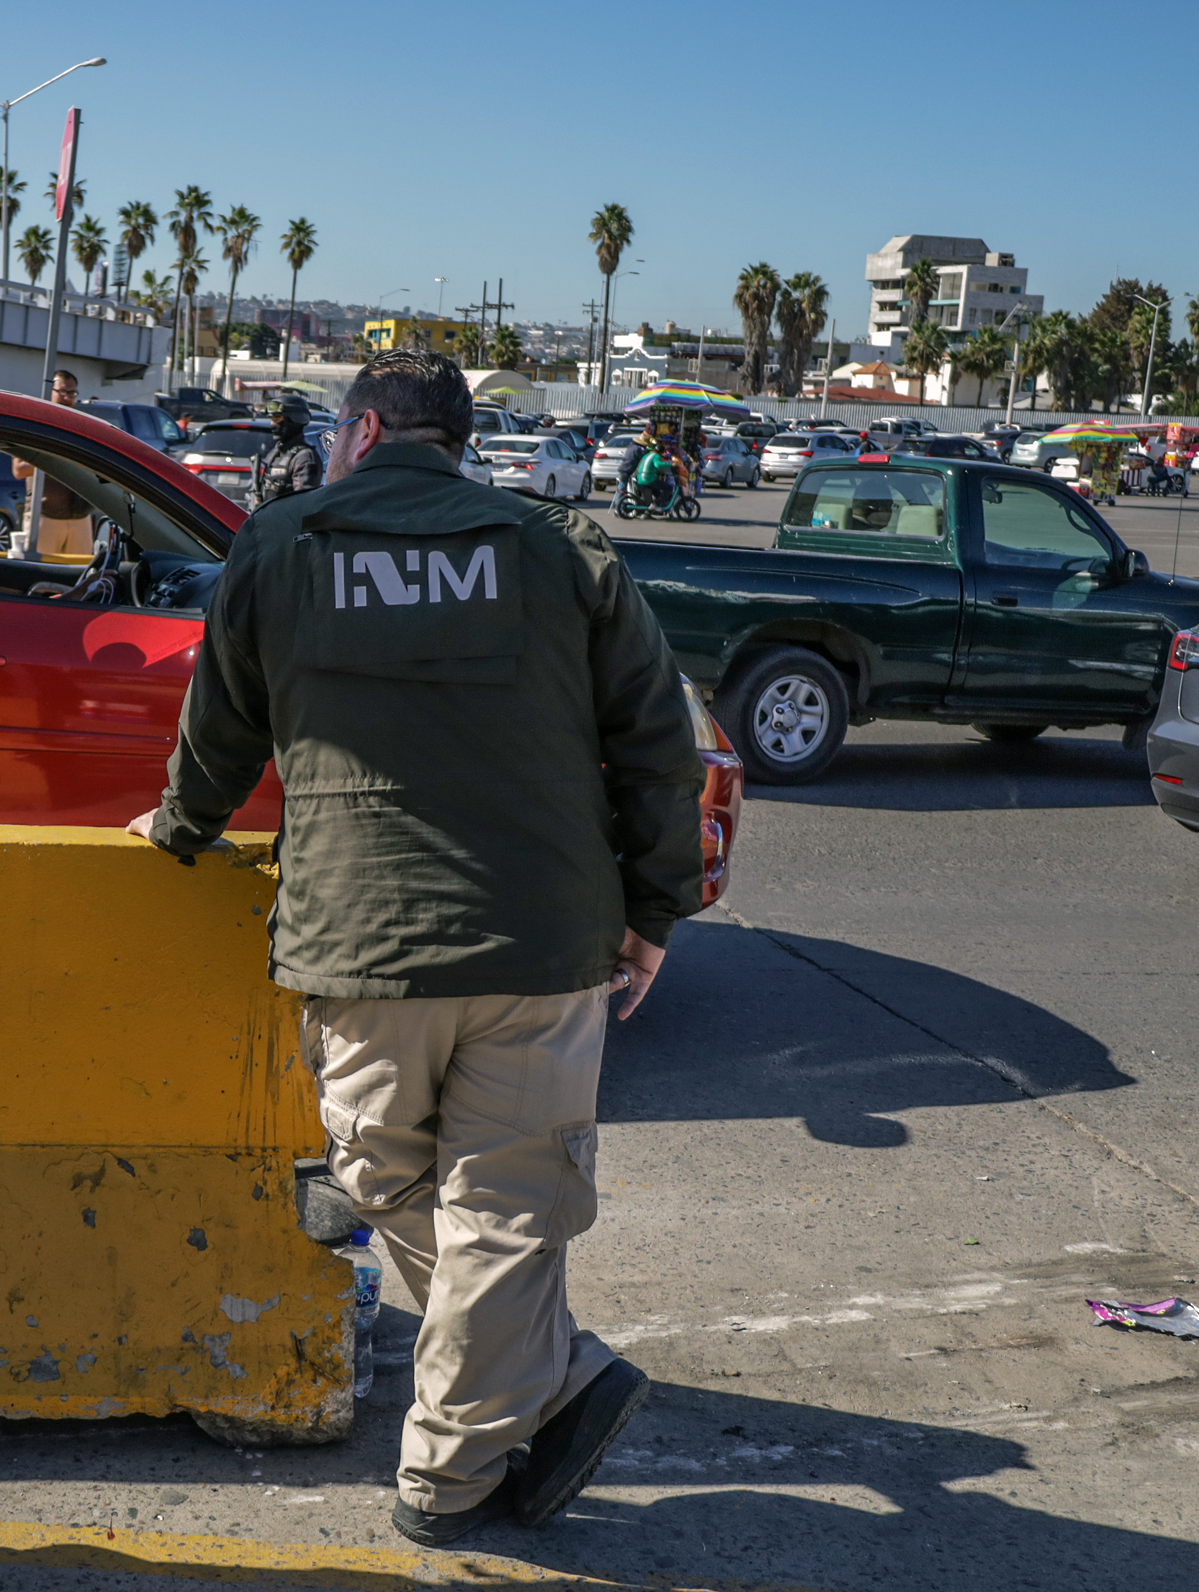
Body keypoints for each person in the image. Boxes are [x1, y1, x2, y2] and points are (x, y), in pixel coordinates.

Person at [128, 349, 703, 1545]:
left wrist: (176, 827)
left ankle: (450, 1471)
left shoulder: (280, 543)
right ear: (456, 440)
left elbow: (218, 730)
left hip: (363, 944)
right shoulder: (556, 546)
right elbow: (657, 742)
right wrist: (654, 911)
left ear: (363, 430)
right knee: (501, 1207)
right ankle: (540, 1377)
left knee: (388, 1179)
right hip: (541, 941)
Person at [14, 369, 95, 557]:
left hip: (80, 518)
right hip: (45, 518)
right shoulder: (34, 426)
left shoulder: (83, 427)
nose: (67, 398)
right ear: (49, 391)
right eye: (62, 392)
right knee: (41, 579)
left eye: (72, 393)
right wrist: (56, 456)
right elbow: (19, 470)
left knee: (81, 577)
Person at [250, 394, 325, 509]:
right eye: (272, 419)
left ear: (294, 419)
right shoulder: (276, 453)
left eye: (277, 418)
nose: (272, 424)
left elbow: (302, 504)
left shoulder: (305, 457)